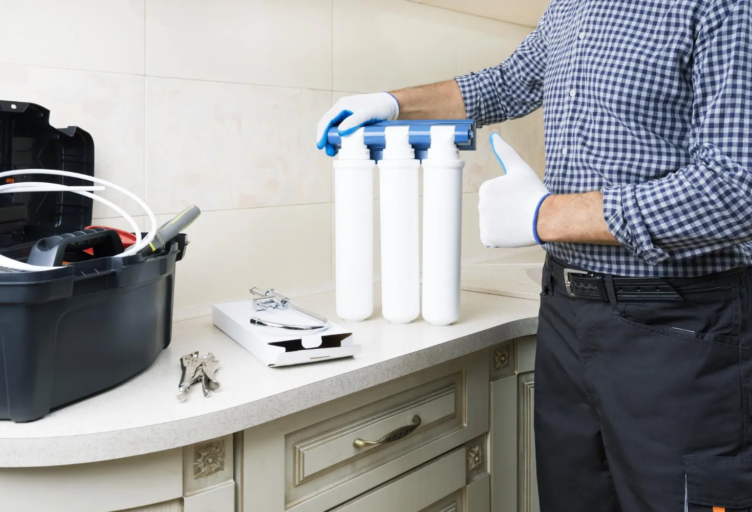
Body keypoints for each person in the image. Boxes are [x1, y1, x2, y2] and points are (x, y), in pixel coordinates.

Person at [315, 1, 752, 511]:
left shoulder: (722, 7)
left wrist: (545, 215)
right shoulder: (569, 7)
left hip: (678, 326)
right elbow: (506, 83)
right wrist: (392, 102)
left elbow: (735, 189)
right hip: (566, 314)